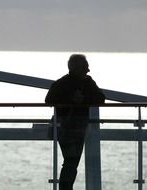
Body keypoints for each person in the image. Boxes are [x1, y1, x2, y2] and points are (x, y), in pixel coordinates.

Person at [45, 54, 105, 190]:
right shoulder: (85, 82)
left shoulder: (62, 83)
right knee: (71, 162)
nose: (88, 70)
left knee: (70, 162)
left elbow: (101, 98)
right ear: (77, 69)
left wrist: (81, 99)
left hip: (67, 127)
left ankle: (65, 187)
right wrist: (74, 99)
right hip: (73, 128)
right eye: (85, 67)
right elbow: (100, 98)